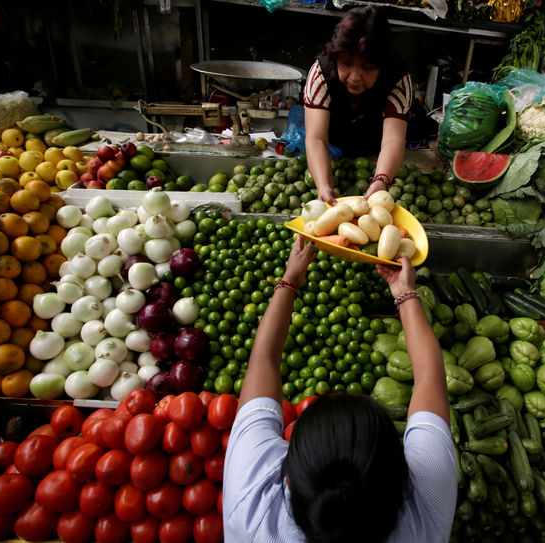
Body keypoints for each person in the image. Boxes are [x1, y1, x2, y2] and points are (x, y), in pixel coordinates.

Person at [223, 235, 456, 543]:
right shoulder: (428, 508)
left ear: (289, 479)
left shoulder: (250, 508)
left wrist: (290, 280)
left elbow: (261, 363)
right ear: (403, 480)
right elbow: (430, 376)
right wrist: (404, 292)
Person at [303, 6, 413, 205]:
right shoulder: (321, 71)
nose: (354, 77)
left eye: (367, 67)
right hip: (332, 145)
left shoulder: (398, 78)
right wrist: (324, 186)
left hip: (375, 147)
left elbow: (392, 140)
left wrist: (381, 179)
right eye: (345, 63)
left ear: (382, 65)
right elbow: (316, 138)